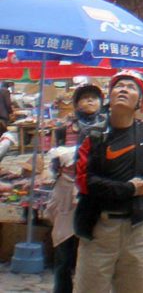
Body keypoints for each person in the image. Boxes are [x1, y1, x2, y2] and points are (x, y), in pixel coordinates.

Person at [73, 71, 143, 293]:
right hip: (99, 230)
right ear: (109, 96)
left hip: (136, 230)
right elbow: (85, 182)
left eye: (130, 87)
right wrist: (128, 188)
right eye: (118, 86)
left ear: (139, 101)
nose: (123, 89)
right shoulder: (93, 135)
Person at [47, 82, 105, 293]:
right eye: (85, 97)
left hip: (96, 194)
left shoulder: (108, 128)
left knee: (93, 251)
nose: (90, 100)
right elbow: (54, 164)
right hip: (67, 193)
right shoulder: (64, 129)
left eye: (94, 97)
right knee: (64, 251)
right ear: (76, 103)